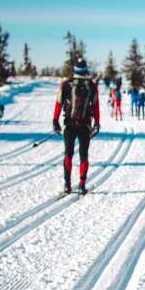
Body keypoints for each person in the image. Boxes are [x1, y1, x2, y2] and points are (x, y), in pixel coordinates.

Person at [52, 58, 100, 195]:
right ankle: (82, 184)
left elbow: (58, 103)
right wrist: (97, 122)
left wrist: (55, 120)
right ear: (85, 70)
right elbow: (96, 106)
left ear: (74, 70)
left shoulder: (66, 84)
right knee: (83, 155)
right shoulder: (91, 85)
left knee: (68, 154)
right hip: (85, 125)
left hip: (69, 124)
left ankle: (67, 185)